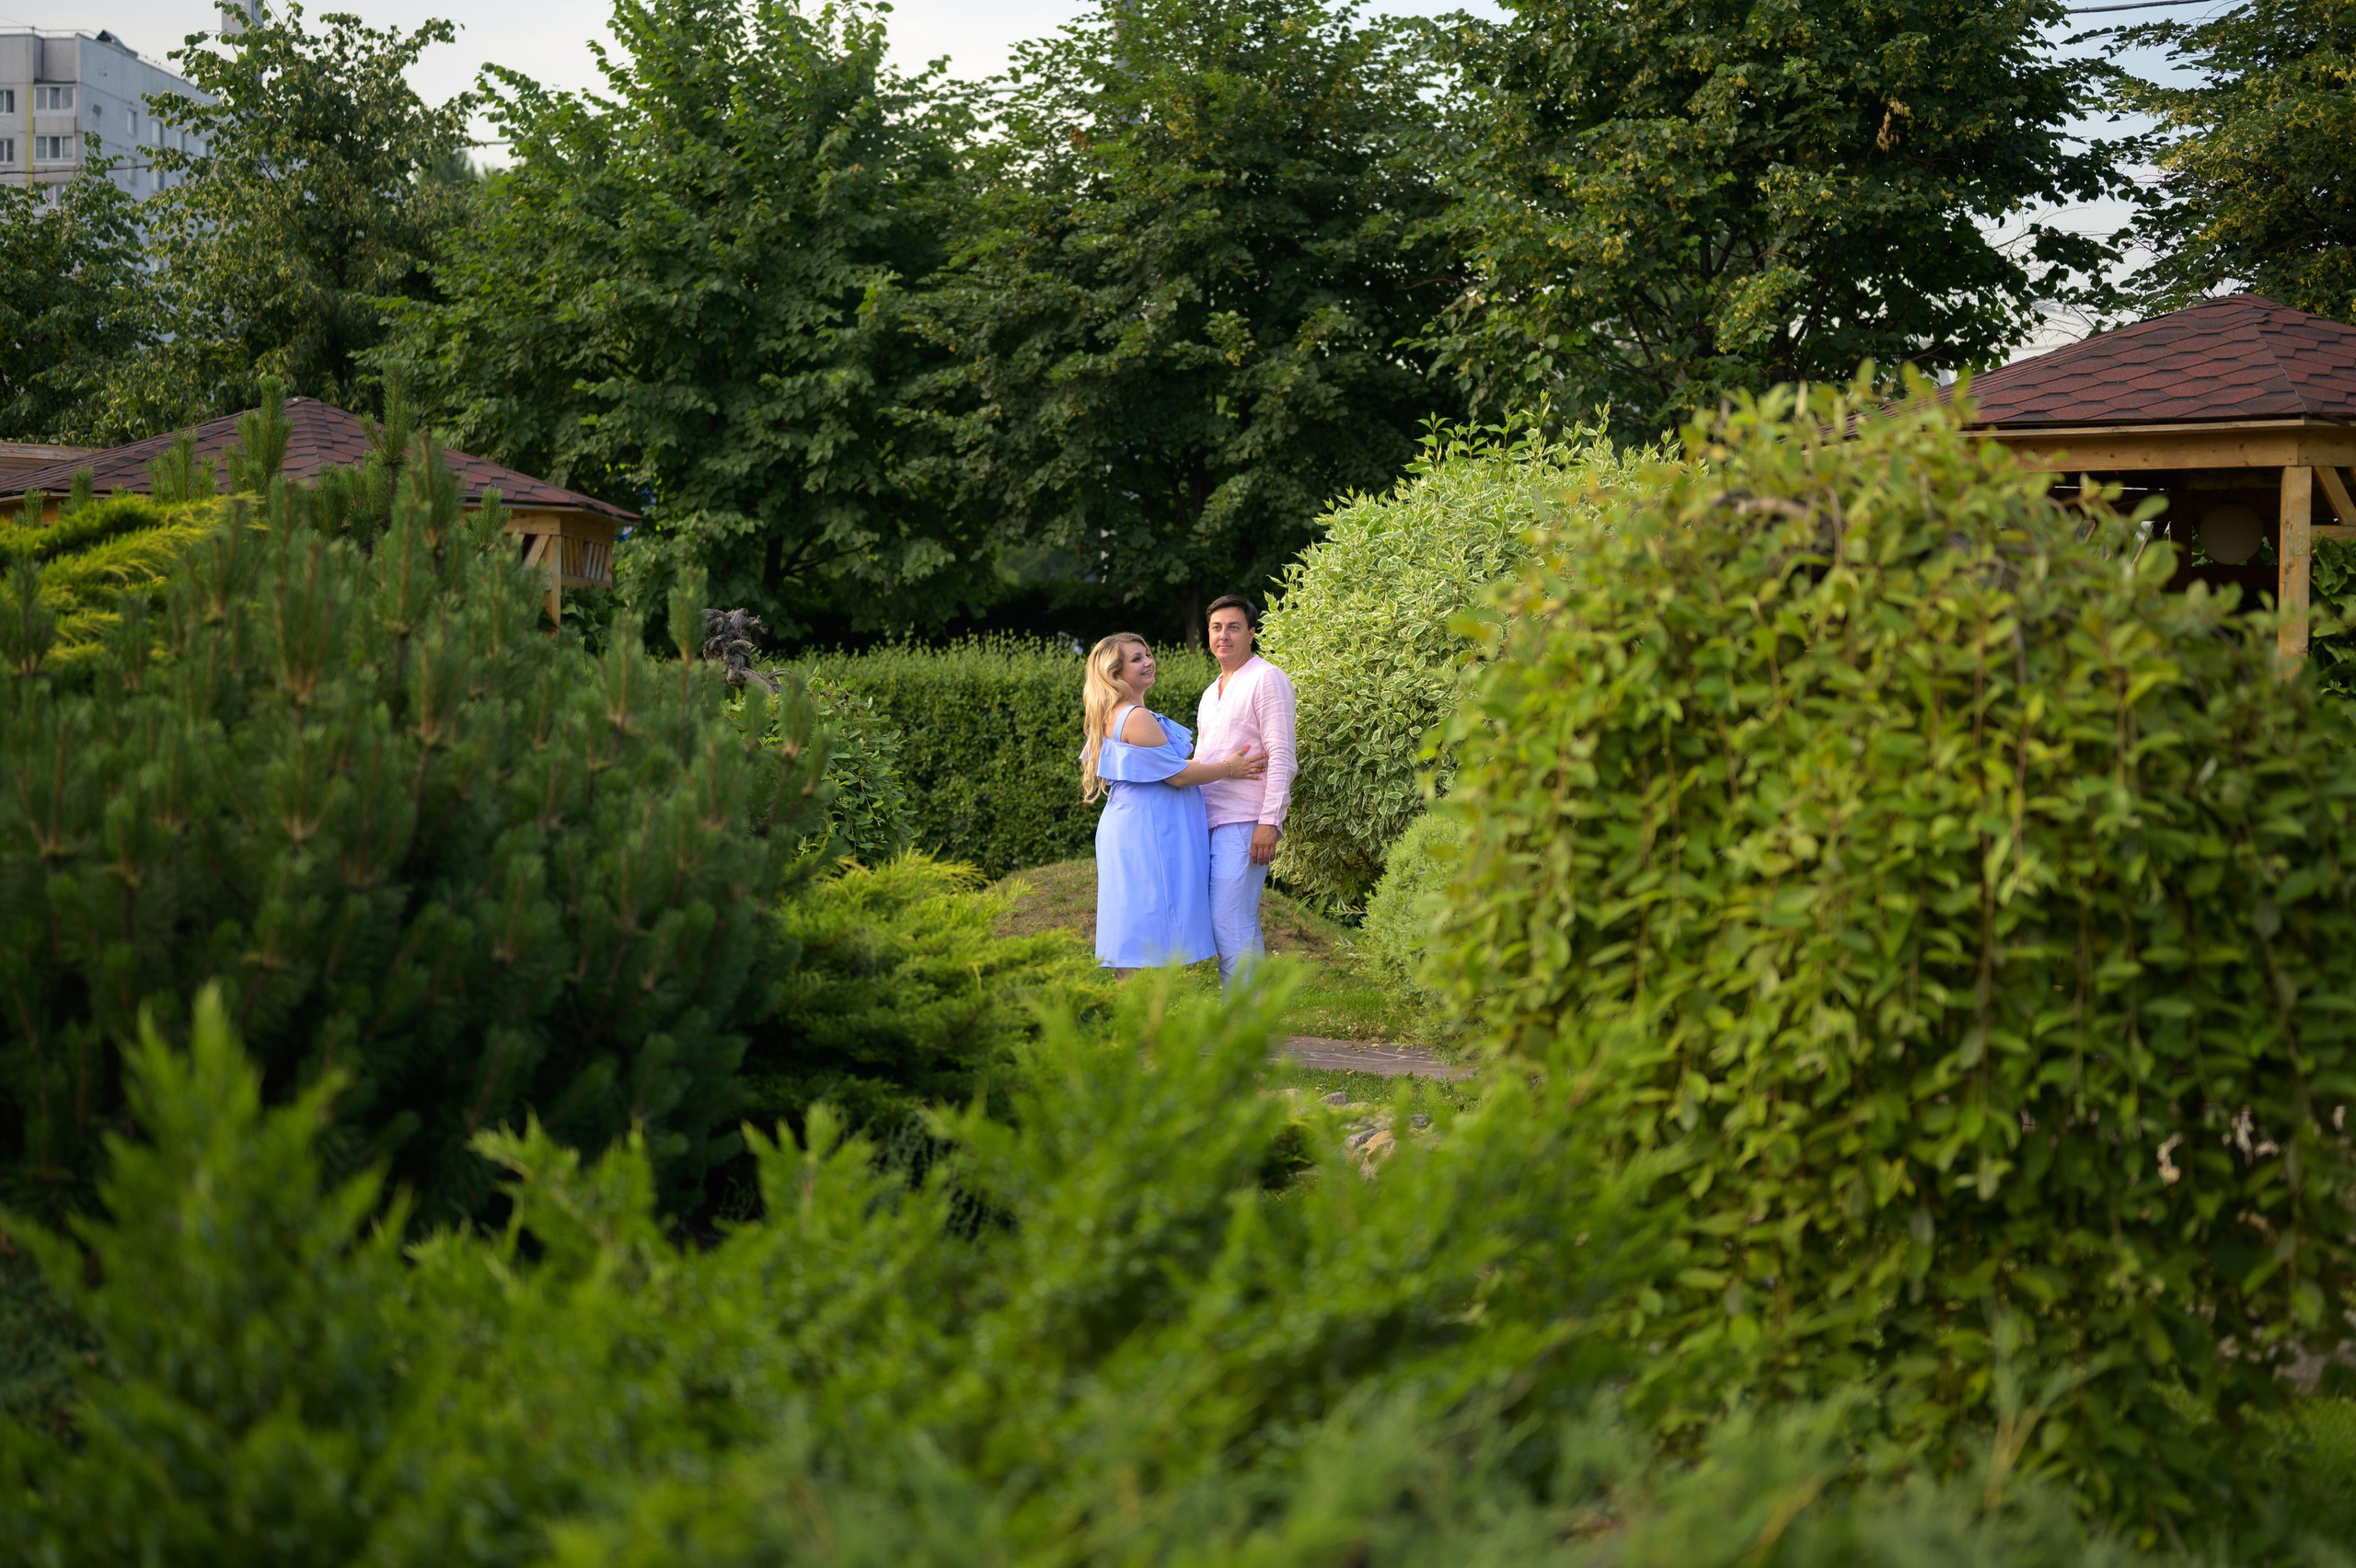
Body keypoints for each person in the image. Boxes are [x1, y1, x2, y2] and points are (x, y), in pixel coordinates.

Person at [1082, 632, 1267, 974]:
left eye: (1147, 654)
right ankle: (1142, 1005)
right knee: (1146, 921)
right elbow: (1178, 775)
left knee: (1135, 921)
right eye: (1136, 659)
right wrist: (1231, 767)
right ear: (1116, 673)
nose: (1148, 662)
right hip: (1147, 830)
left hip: (1135, 823)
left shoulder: (1113, 713)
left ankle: (1136, 1005)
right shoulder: (1135, 717)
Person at [1195, 595, 1298, 989]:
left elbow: (1282, 754)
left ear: (1252, 633)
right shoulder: (1211, 692)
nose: (1224, 635)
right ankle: (1252, 1017)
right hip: (1210, 820)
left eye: (1234, 627)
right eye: (1216, 628)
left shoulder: (1267, 678)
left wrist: (1269, 821)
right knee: (1238, 923)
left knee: (1229, 924)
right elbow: (1204, 758)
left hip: (1245, 822)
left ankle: (1238, 1019)